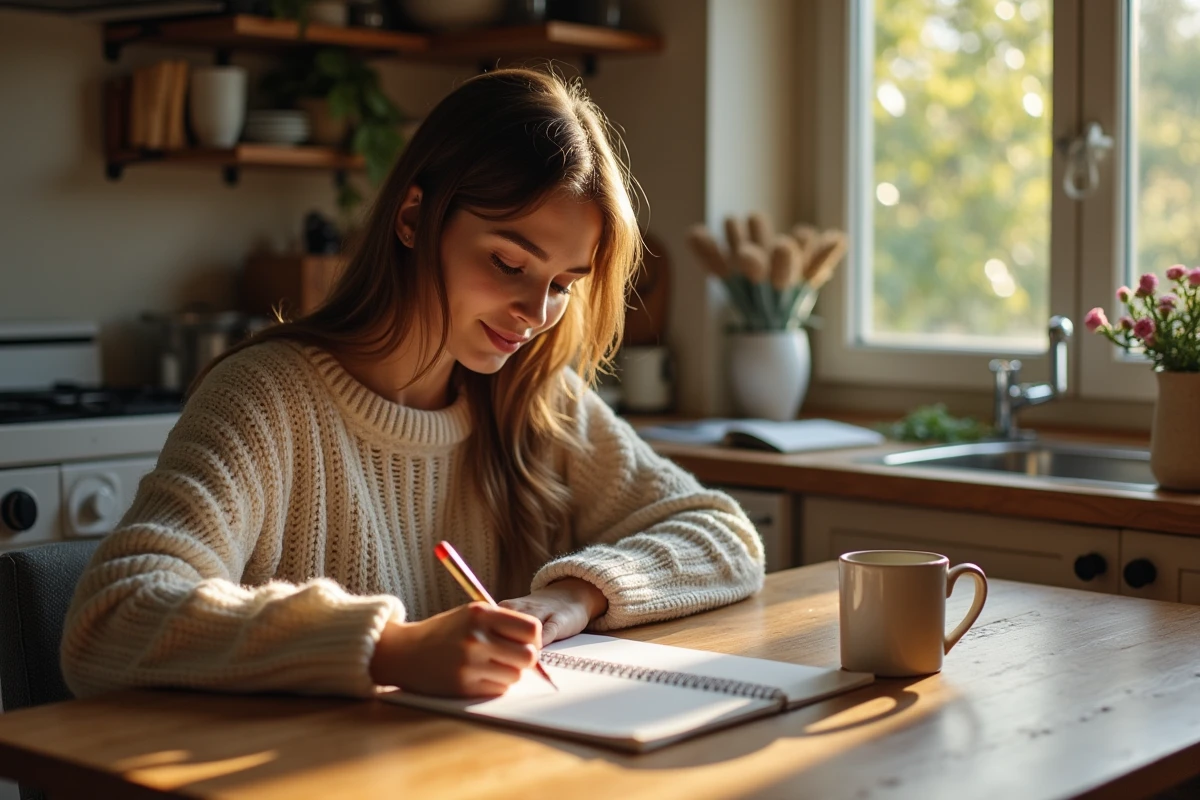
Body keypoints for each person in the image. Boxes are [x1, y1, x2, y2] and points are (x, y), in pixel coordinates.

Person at [61, 67, 764, 701]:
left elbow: (723, 533)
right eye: (509, 263)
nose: (536, 313)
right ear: (413, 218)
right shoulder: (266, 398)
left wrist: (577, 596)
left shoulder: (535, 399)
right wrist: (388, 649)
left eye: (562, 284)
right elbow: (113, 616)